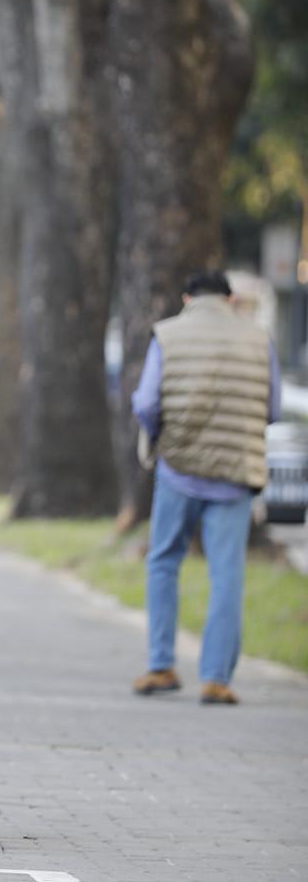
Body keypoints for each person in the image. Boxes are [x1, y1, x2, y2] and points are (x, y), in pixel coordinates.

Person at [131, 269, 281, 705]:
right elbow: (272, 409)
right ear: (230, 300)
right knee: (227, 574)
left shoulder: (167, 335)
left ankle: (161, 665)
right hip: (234, 475)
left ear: (187, 299)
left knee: (163, 561)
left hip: (179, 469)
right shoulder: (260, 340)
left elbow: (146, 403)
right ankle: (217, 679)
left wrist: (160, 437)